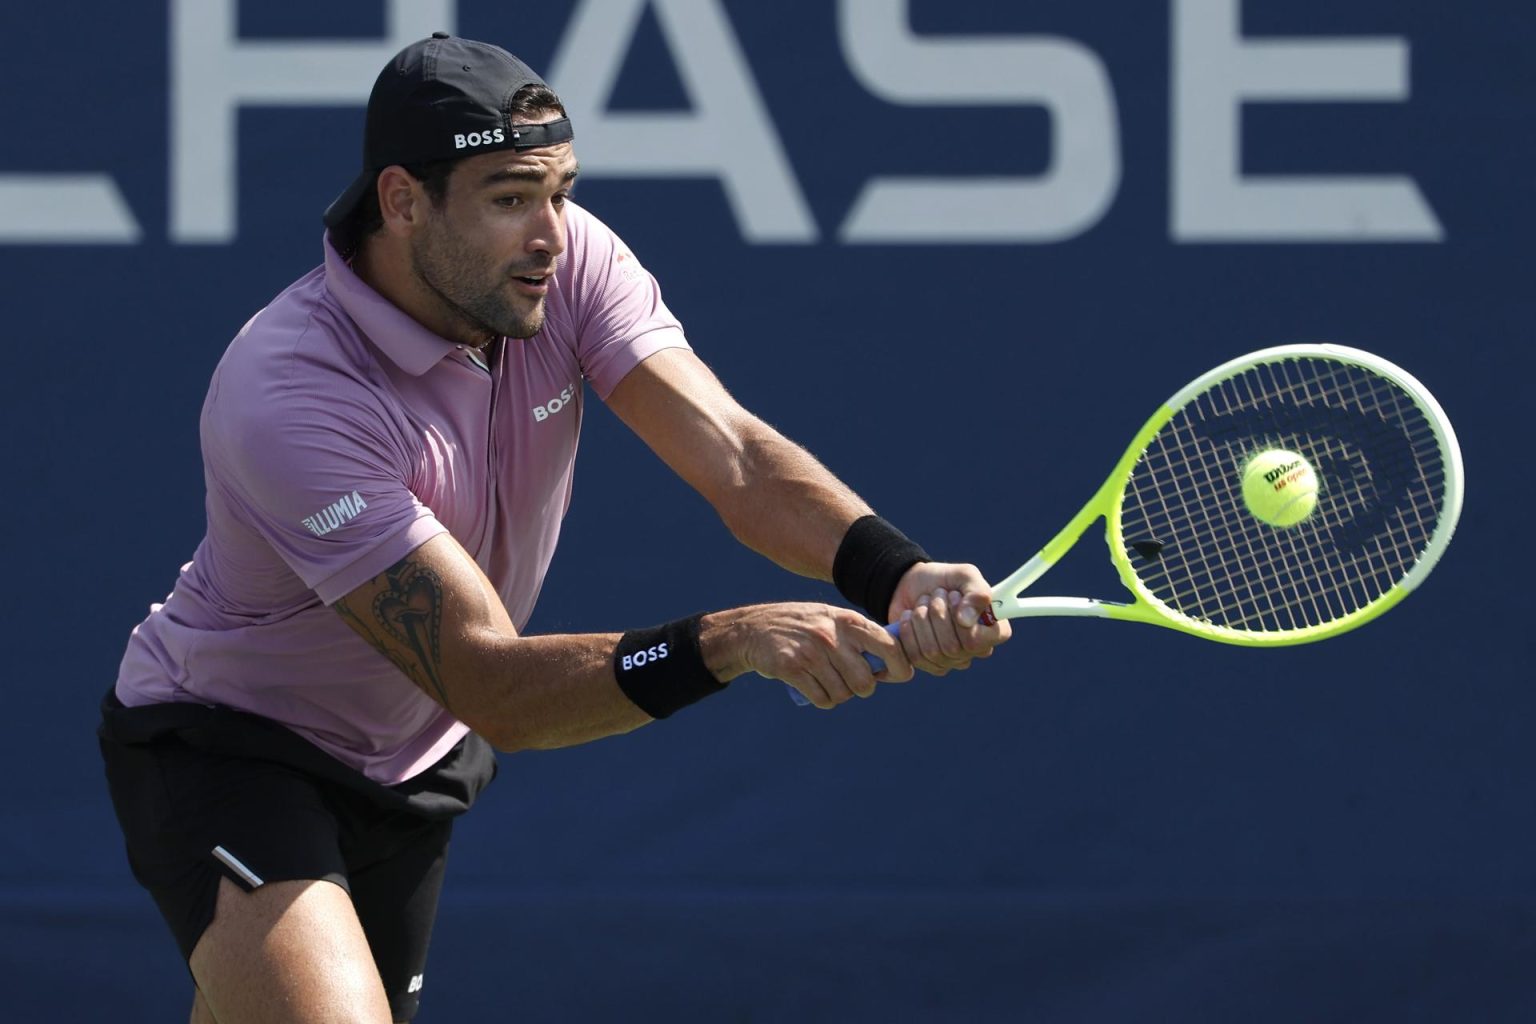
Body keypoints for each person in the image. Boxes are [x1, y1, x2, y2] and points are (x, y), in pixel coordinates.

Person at [98, 33, 1010, 1024]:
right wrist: (733, 640)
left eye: (561, 191)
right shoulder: (291, 393)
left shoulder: (565, 268)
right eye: (509, 197)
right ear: (402, 201)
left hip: (414, 761)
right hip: (238, 747)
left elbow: (737, 461)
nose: (551, 232)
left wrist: (894, 572)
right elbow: (497, 686)